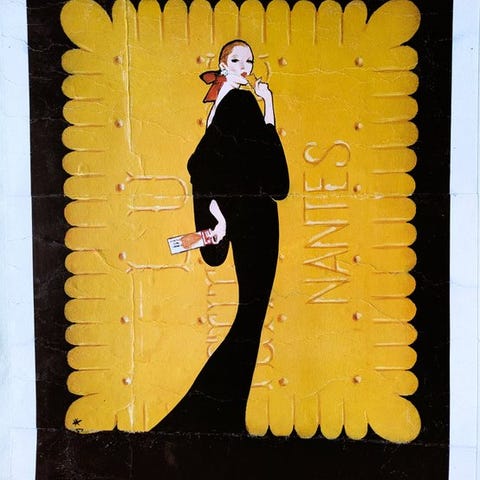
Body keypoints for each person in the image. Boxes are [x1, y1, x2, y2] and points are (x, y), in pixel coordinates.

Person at [160, 39, 289, 433]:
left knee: (250, 316)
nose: (245, 66)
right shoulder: (241, 102)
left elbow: (204, 164)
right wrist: (269, 104)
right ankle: (214, 412)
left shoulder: (223, 102)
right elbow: (270, 168)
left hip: (241, 216)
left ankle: (221, 412)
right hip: (257, 218)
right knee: (251, 317)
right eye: (236, 60)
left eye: (248, 60)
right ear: (222, 63)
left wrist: (217, 214)